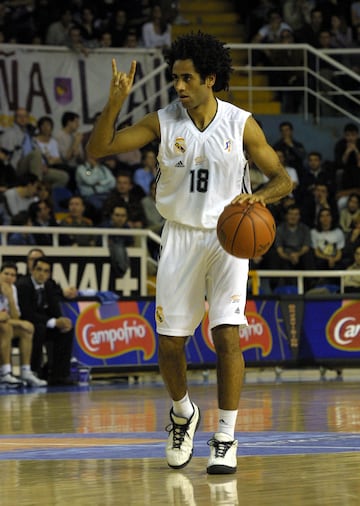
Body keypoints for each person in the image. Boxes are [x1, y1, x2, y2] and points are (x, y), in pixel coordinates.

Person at [87, 31, 292, 474]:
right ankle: (183, 413)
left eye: (187, 78)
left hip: (227, 237)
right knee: (170, 343)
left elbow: (282, 179)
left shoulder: (240, 123)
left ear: (210, 79)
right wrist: (116, 102)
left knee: (227, 335)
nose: (178, 87)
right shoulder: (163, 122)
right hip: (179, 235)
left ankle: (226, 436)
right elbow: (97, 149)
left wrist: (259, 198)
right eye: (174, 78)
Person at [16, 256, 75, 386]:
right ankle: (34, 371)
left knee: (66, 331)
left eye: (46, 271)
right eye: (39, 269)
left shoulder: (49, 285)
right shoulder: (23, 285)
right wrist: (53, 322)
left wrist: (61, 321)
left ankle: (59, 375)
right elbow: (27, 314)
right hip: (23, 326)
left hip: (42, 323)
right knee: (38, 328)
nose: (42, 273)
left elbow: (54, 308)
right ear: (32, 270)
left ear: (49, 274)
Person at [0, 262, 47, 388]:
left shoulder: (13, 289)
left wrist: (9, 298)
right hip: (3, 327)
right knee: (6, 327)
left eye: (13, 275)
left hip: (4, 326)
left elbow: (15, 317)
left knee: (27, 329)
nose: (9, 277)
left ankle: (25, 371)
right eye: (6, 274)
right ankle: (4, 373)